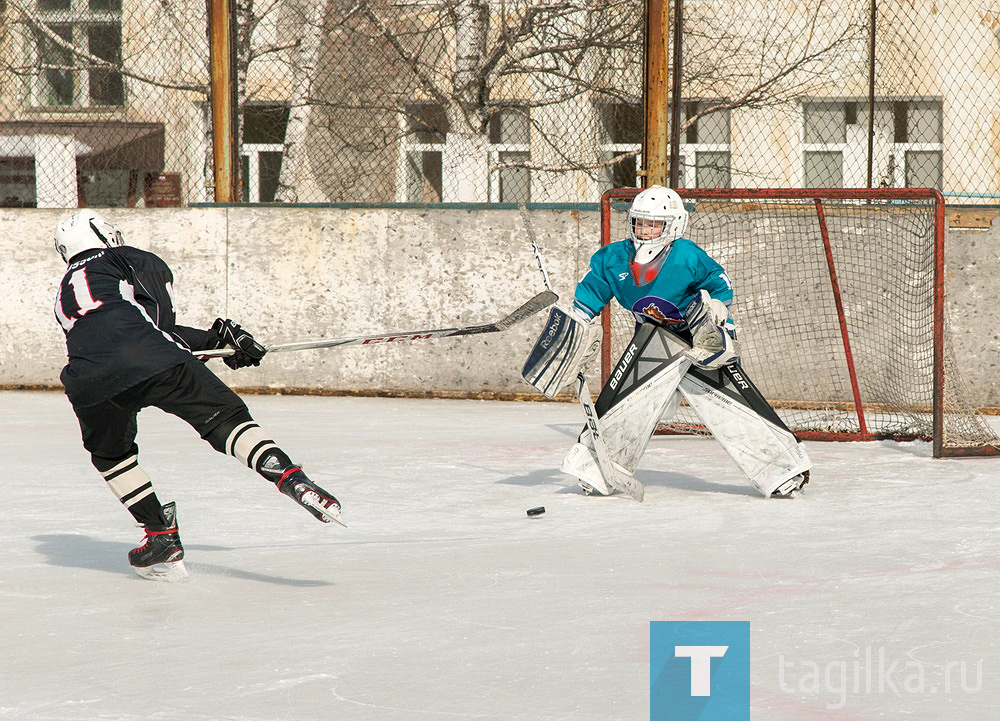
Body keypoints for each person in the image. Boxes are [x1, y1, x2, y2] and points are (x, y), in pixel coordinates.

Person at [53, 210, 342, 581]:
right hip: (154, 358)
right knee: (226, 420)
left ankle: (160, 535)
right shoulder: (131, 258)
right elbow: (158, 330)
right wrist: (222, 342)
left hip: (88, 380)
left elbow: (121, 336)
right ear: (104, 234)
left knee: (111, 456)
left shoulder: (65, 287)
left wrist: (214, 342)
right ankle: (290, 477)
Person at [530, 185, 809, 498]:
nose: (645, 231)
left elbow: (719, 283)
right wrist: (578, 322)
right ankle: (596, 470)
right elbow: (591, 293)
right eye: (639, 222)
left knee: (729, 402)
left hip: (698, 338)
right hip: (652, 337)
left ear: (674, 225)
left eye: (654, 224)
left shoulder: (687, 256)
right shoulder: (614, 258)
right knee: (625, 401)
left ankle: (782, 470)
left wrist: (718, 304)